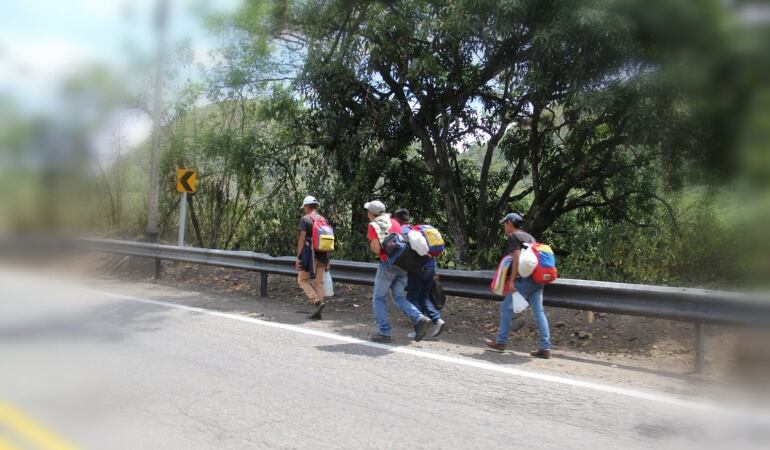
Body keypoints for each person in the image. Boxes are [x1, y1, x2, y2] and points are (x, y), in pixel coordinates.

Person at [484, 212, 551, 358]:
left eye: (504, 224)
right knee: (539, 311)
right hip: (538, 279)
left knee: (505, 307)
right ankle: (545, 347)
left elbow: (516, 259)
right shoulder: (529, 236)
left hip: (526, 280)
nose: (504, 227)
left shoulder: (514, 237)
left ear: (509, 223)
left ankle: (501, 341)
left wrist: (512, 281)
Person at [365, 201, 432, 343]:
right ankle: (419, 318)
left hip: (388, 265)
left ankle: (384, 333)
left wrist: (371, 242)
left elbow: (377, 249)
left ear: (371, 213)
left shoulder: (373, 225)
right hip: (403, 265)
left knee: (379, 298)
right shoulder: (393, 222)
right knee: (398, 296)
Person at [393, 208, 446, 339]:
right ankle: (437, 320)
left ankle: (418, 329)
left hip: (418, 270)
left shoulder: (402, 232)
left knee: (412, 298)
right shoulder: (415, 229)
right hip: (431, 267)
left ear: (396, 219)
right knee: (424, 298)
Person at [296, 195, 329, 320]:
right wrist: (328, 260)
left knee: (302, 280)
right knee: (318, 283)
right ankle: (318, 313)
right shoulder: (323, 220)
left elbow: (302, 238)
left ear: (306, 206)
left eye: (304, 207)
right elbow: (327, 241)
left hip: (309, 256)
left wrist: (298, 257)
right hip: (322, 255)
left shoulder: (305, 219)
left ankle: (316, 302)